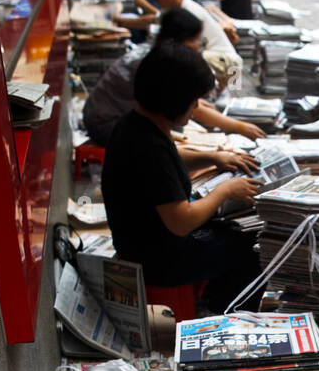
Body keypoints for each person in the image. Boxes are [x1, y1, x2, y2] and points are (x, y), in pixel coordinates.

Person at [101, 44, 262, 314]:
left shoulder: (135, 124)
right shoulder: (149, 146)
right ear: (173, 100)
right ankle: (223, 315)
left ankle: (213, 298)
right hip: (159, 260)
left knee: (232, 226)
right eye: (193, 100)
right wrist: (224, 191)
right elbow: (181, 220)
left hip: (140, 243)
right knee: (255, 246)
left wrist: (212, 157)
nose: (197, 107)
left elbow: (170, 159)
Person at [82, 7, 264, 147]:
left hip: (112, 114)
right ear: (179, 39)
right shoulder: (159, 62)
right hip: (104, 124)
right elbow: (191, 109)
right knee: (176, 126)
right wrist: (239, 127)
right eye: (195, 41)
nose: (198, 46)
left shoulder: (159, 51)